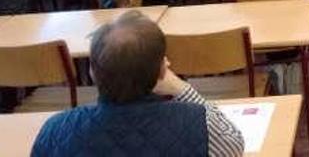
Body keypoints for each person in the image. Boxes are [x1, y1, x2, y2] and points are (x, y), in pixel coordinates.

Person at [32, 10, 245, 156]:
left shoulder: (55, 130)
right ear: (163, 70)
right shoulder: (200, 122)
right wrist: (181, 87)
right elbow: (234, 144)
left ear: (92, 73)